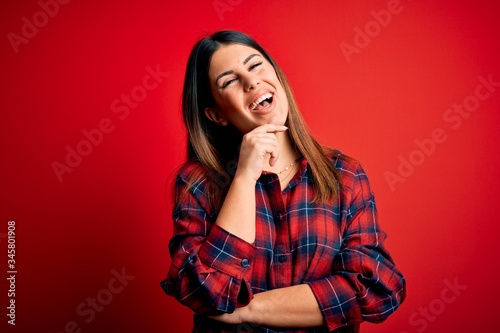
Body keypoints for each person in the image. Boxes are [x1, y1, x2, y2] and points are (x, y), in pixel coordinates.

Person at [160, 30, 406, 333]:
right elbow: (206, 293)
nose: (251, 82)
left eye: (255, 66)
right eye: (229, 81)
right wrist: (244, 177)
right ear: (217, 115)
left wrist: (245, 310)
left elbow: (375, 289)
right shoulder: (198, 183)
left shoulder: (346, 176)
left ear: (276, 75)